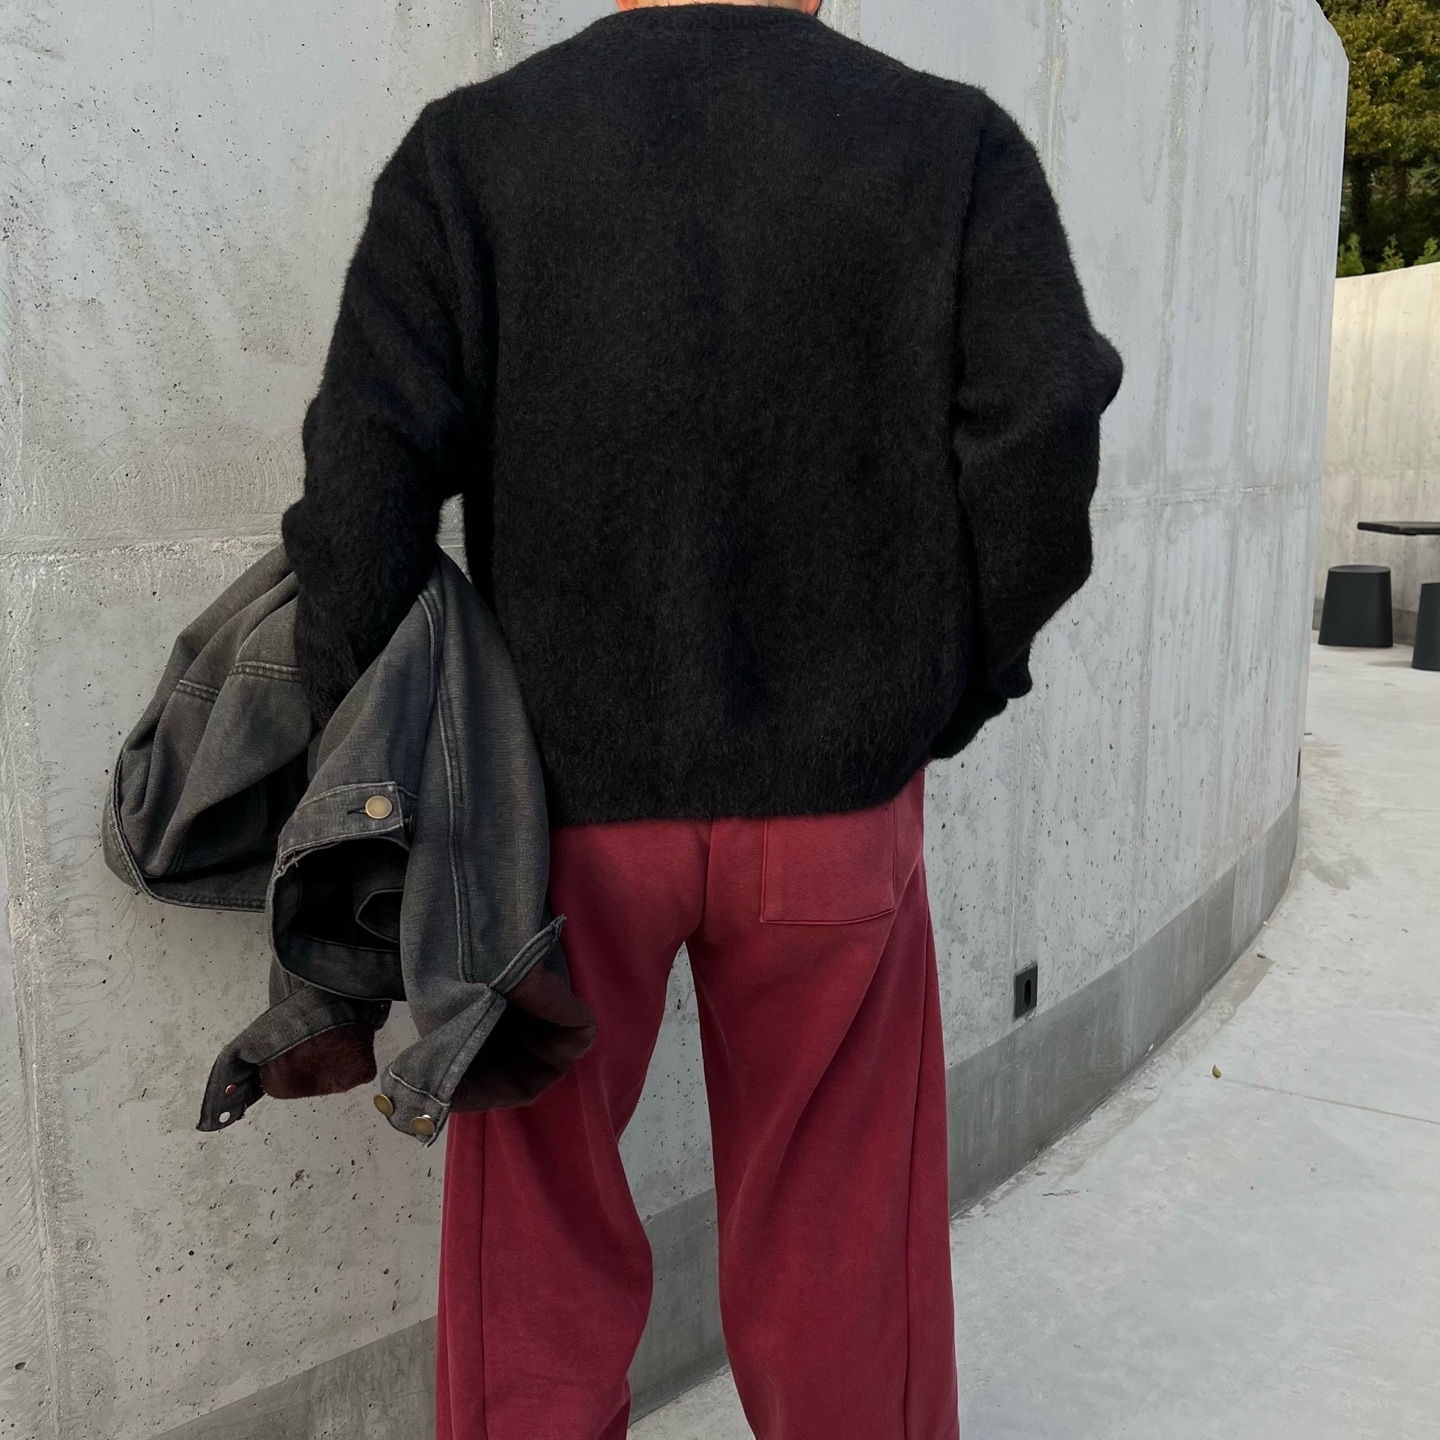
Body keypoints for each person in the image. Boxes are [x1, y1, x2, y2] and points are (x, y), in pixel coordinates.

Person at [280, 0, 1123, 1435]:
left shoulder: (474, 153)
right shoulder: (950, 146)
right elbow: (1041, 432)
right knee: (846, 1237)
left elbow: (362, 493)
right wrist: (942, 694)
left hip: (554, 826)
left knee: (532, 1234)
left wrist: (378, 780)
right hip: (838, 808)